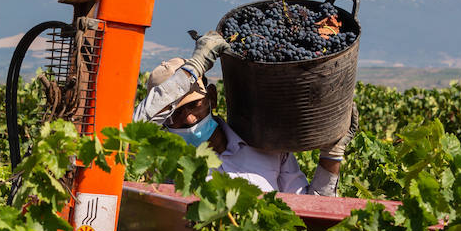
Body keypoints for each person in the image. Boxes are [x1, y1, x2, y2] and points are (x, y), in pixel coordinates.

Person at [134, 30, 358, 196]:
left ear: (212, 97)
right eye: (174, 114)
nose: (189, 119)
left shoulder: (267, 146)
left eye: (194, 106)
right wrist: (194, 67)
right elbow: (126, 131)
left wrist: (331, 155)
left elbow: (311, 210)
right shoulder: (166, 167)